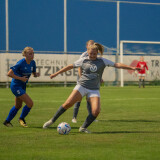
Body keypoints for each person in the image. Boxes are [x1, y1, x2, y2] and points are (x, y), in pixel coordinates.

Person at [43, 43, 141, 133]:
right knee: (68, 104)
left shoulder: (102, 61)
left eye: (94, 54)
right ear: (88, 52)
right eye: (90, 54)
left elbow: (116, 65)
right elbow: (70, 66)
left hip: (94, 89)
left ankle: (83, 128)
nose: (92, 56)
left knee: (96, 111)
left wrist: (131, 68)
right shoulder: (83, 60)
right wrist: (56, 73)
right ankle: (52, 120)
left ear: (97, 53)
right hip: (82, 86)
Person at [3, 47, 40, 127]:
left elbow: (33, 73)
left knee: (18, 106)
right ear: (25, 55)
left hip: (22, 86)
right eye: (30, 53)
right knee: (30, 103)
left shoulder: (32, 62)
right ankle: (21, 119)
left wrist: (36, 74)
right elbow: (9, 74)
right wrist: (21, 78)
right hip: (16, 86)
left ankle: (7, 121)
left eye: (33, 53)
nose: (32, 55)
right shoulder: (20, 63)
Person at [72, 40, 95, 123]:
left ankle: (91, 117)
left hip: (90, 81)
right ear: (87, 46)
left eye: (93, 44)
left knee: (89, 99)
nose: (92, 45)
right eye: (90, 44)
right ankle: (74, 117)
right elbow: (79, 66)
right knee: (78, 98)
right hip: (82, 79)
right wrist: (81, 77)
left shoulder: (95, 54)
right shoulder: (84, 55)